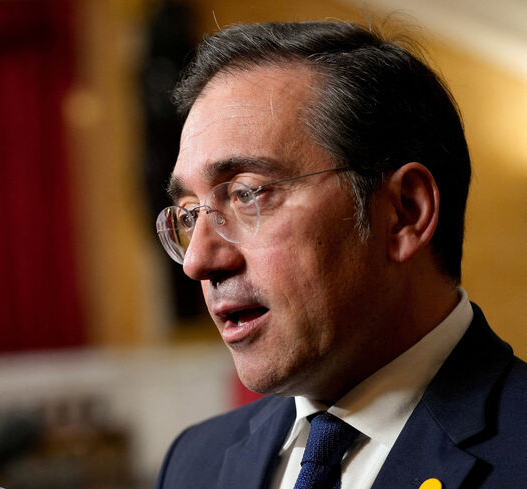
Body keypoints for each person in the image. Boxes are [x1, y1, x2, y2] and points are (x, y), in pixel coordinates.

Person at [153, 20, 527, 489]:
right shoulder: (192, 464)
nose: (198, 262)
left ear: (404, 213)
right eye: (189, 215)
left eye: (247, 195)